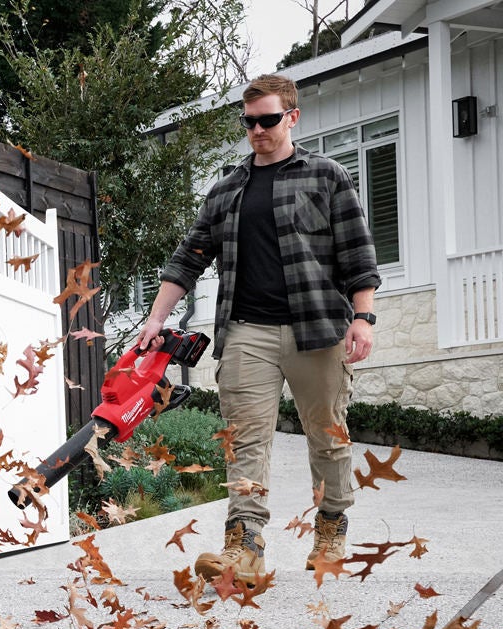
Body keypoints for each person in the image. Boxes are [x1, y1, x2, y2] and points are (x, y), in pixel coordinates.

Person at [136, 74, 380, 586]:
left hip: (318, 329)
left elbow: (357, 251)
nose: (257, 130)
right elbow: (188, 259)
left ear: (292, 117)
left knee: (328, 436)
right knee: (245, 441)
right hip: (247, 331)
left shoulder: (326, 176)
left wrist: (363, 315)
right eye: (249, 122)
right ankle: (244, 549)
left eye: (268, 119)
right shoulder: (227, 189)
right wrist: (156, 318)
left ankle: (331, 526)